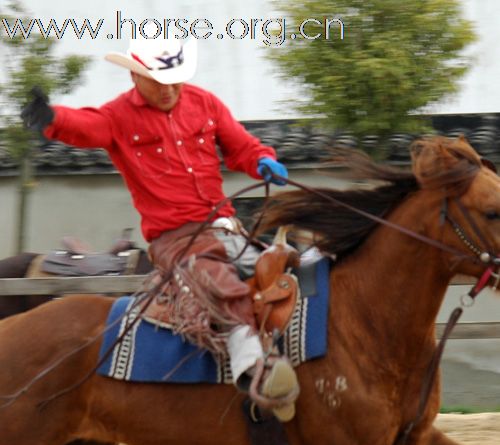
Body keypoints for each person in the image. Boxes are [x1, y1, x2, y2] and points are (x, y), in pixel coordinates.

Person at [21, 37, 299, 421]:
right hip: (175, 238)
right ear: (136, 75)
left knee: (284, 266)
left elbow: (242, 147)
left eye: (176, 80)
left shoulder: (205, 103)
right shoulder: (117, 116)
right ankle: (253, 368)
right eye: (158, 80)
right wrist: (52, 119)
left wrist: (263, 161)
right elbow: (84, 126)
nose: (169, 90)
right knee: (217, 279)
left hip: (225, 225)